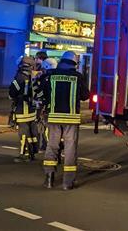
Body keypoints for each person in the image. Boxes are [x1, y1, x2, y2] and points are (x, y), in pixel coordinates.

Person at [38, 51, 89, 190]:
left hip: (53, 117)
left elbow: (40, 93)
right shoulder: (78, 77)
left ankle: (49, 179)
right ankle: (68, 182)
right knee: (70, 149)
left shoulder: (50, 75)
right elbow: (85, 96)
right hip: (71, 119)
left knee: (52, 146)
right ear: (74, 63)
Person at [8, 56, 40, 162]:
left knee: (23, 134)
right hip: (32, 111)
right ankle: (32, 152)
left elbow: (12, 93)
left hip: (22, 110)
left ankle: (23, 154)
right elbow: (38, 93)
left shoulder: (19, 77)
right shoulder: (33, 77)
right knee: (32, 132)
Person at [35, 58, 57, 152]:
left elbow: (40, 93)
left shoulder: (46, 78)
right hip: (57, 107)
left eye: (43, 68)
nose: (42, 70)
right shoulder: (58, 76)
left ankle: (48, 146)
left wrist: (36, 82)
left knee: (44, 127)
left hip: (46, 107)